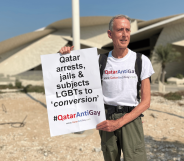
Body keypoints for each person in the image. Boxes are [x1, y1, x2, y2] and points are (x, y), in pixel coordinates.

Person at [60, 15, 154, 161]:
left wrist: (119, 122)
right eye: (119, 30)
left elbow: (146, 101)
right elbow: (75, 81)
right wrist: (64, 58)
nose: (124, 34)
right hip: (106, 118)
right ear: (110, 34)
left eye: (127, 30)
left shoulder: (141, 60)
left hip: (131, 119)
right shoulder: (99, 61)